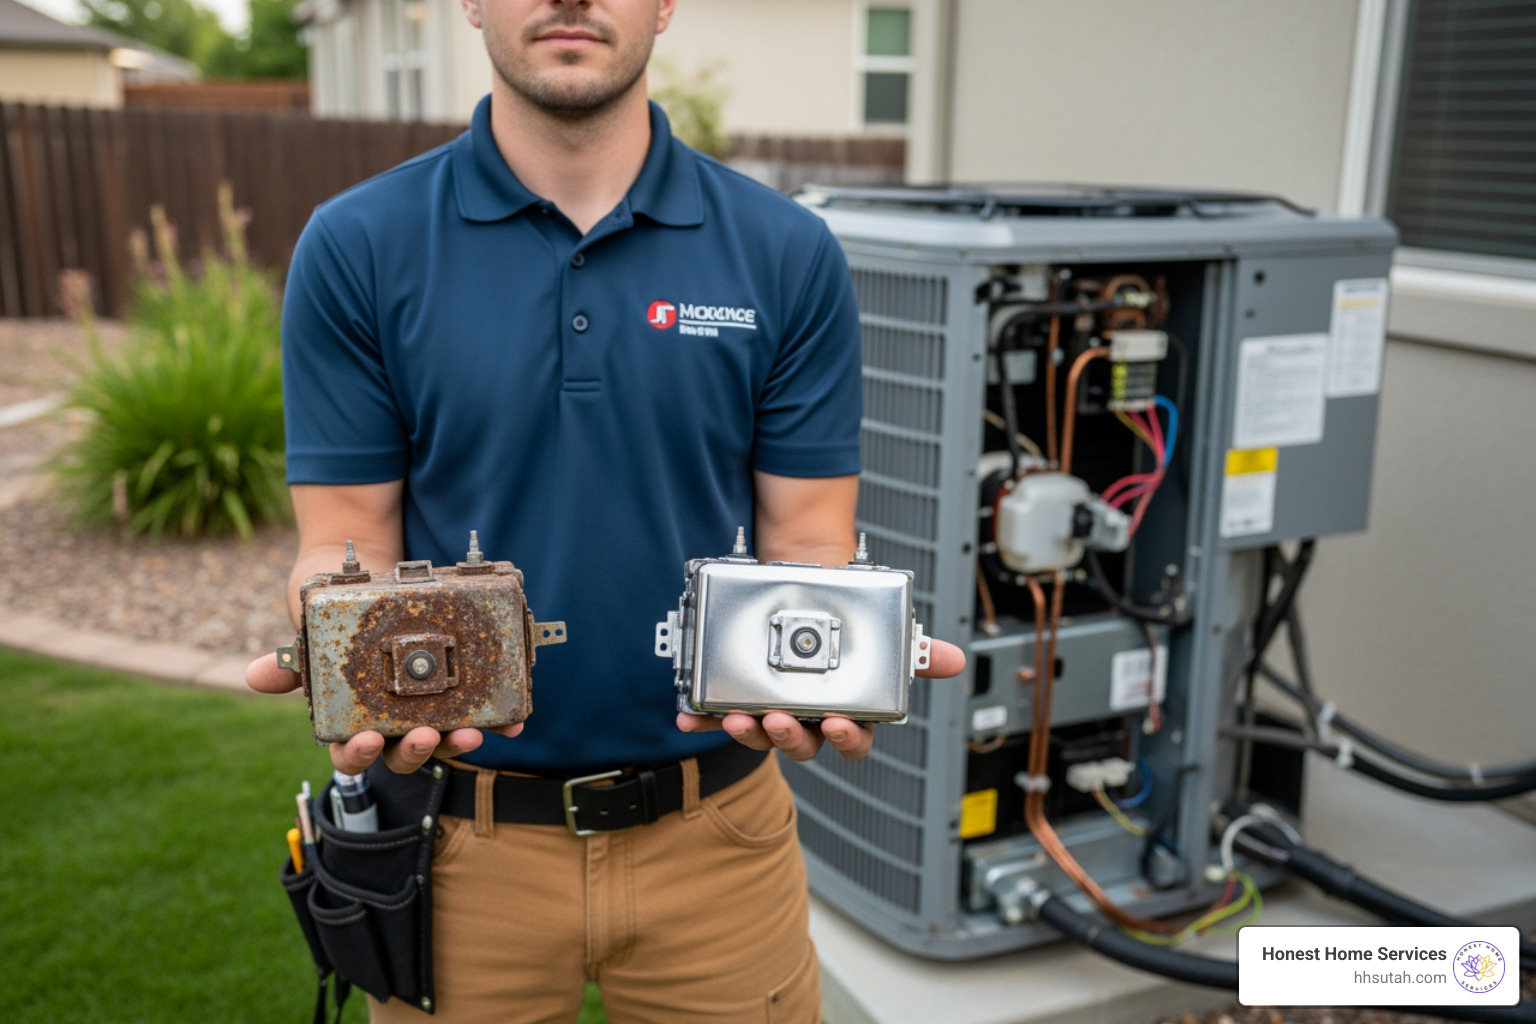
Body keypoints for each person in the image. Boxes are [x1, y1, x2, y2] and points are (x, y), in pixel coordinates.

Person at [246, 1, 963, 1020]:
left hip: (719, 839)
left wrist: (837, 661)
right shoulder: (359, 245)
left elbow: (807, 541)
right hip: (456, 847)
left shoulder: (786, 251)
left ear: (665, 3)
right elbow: (343, 539)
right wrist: (343, 653)